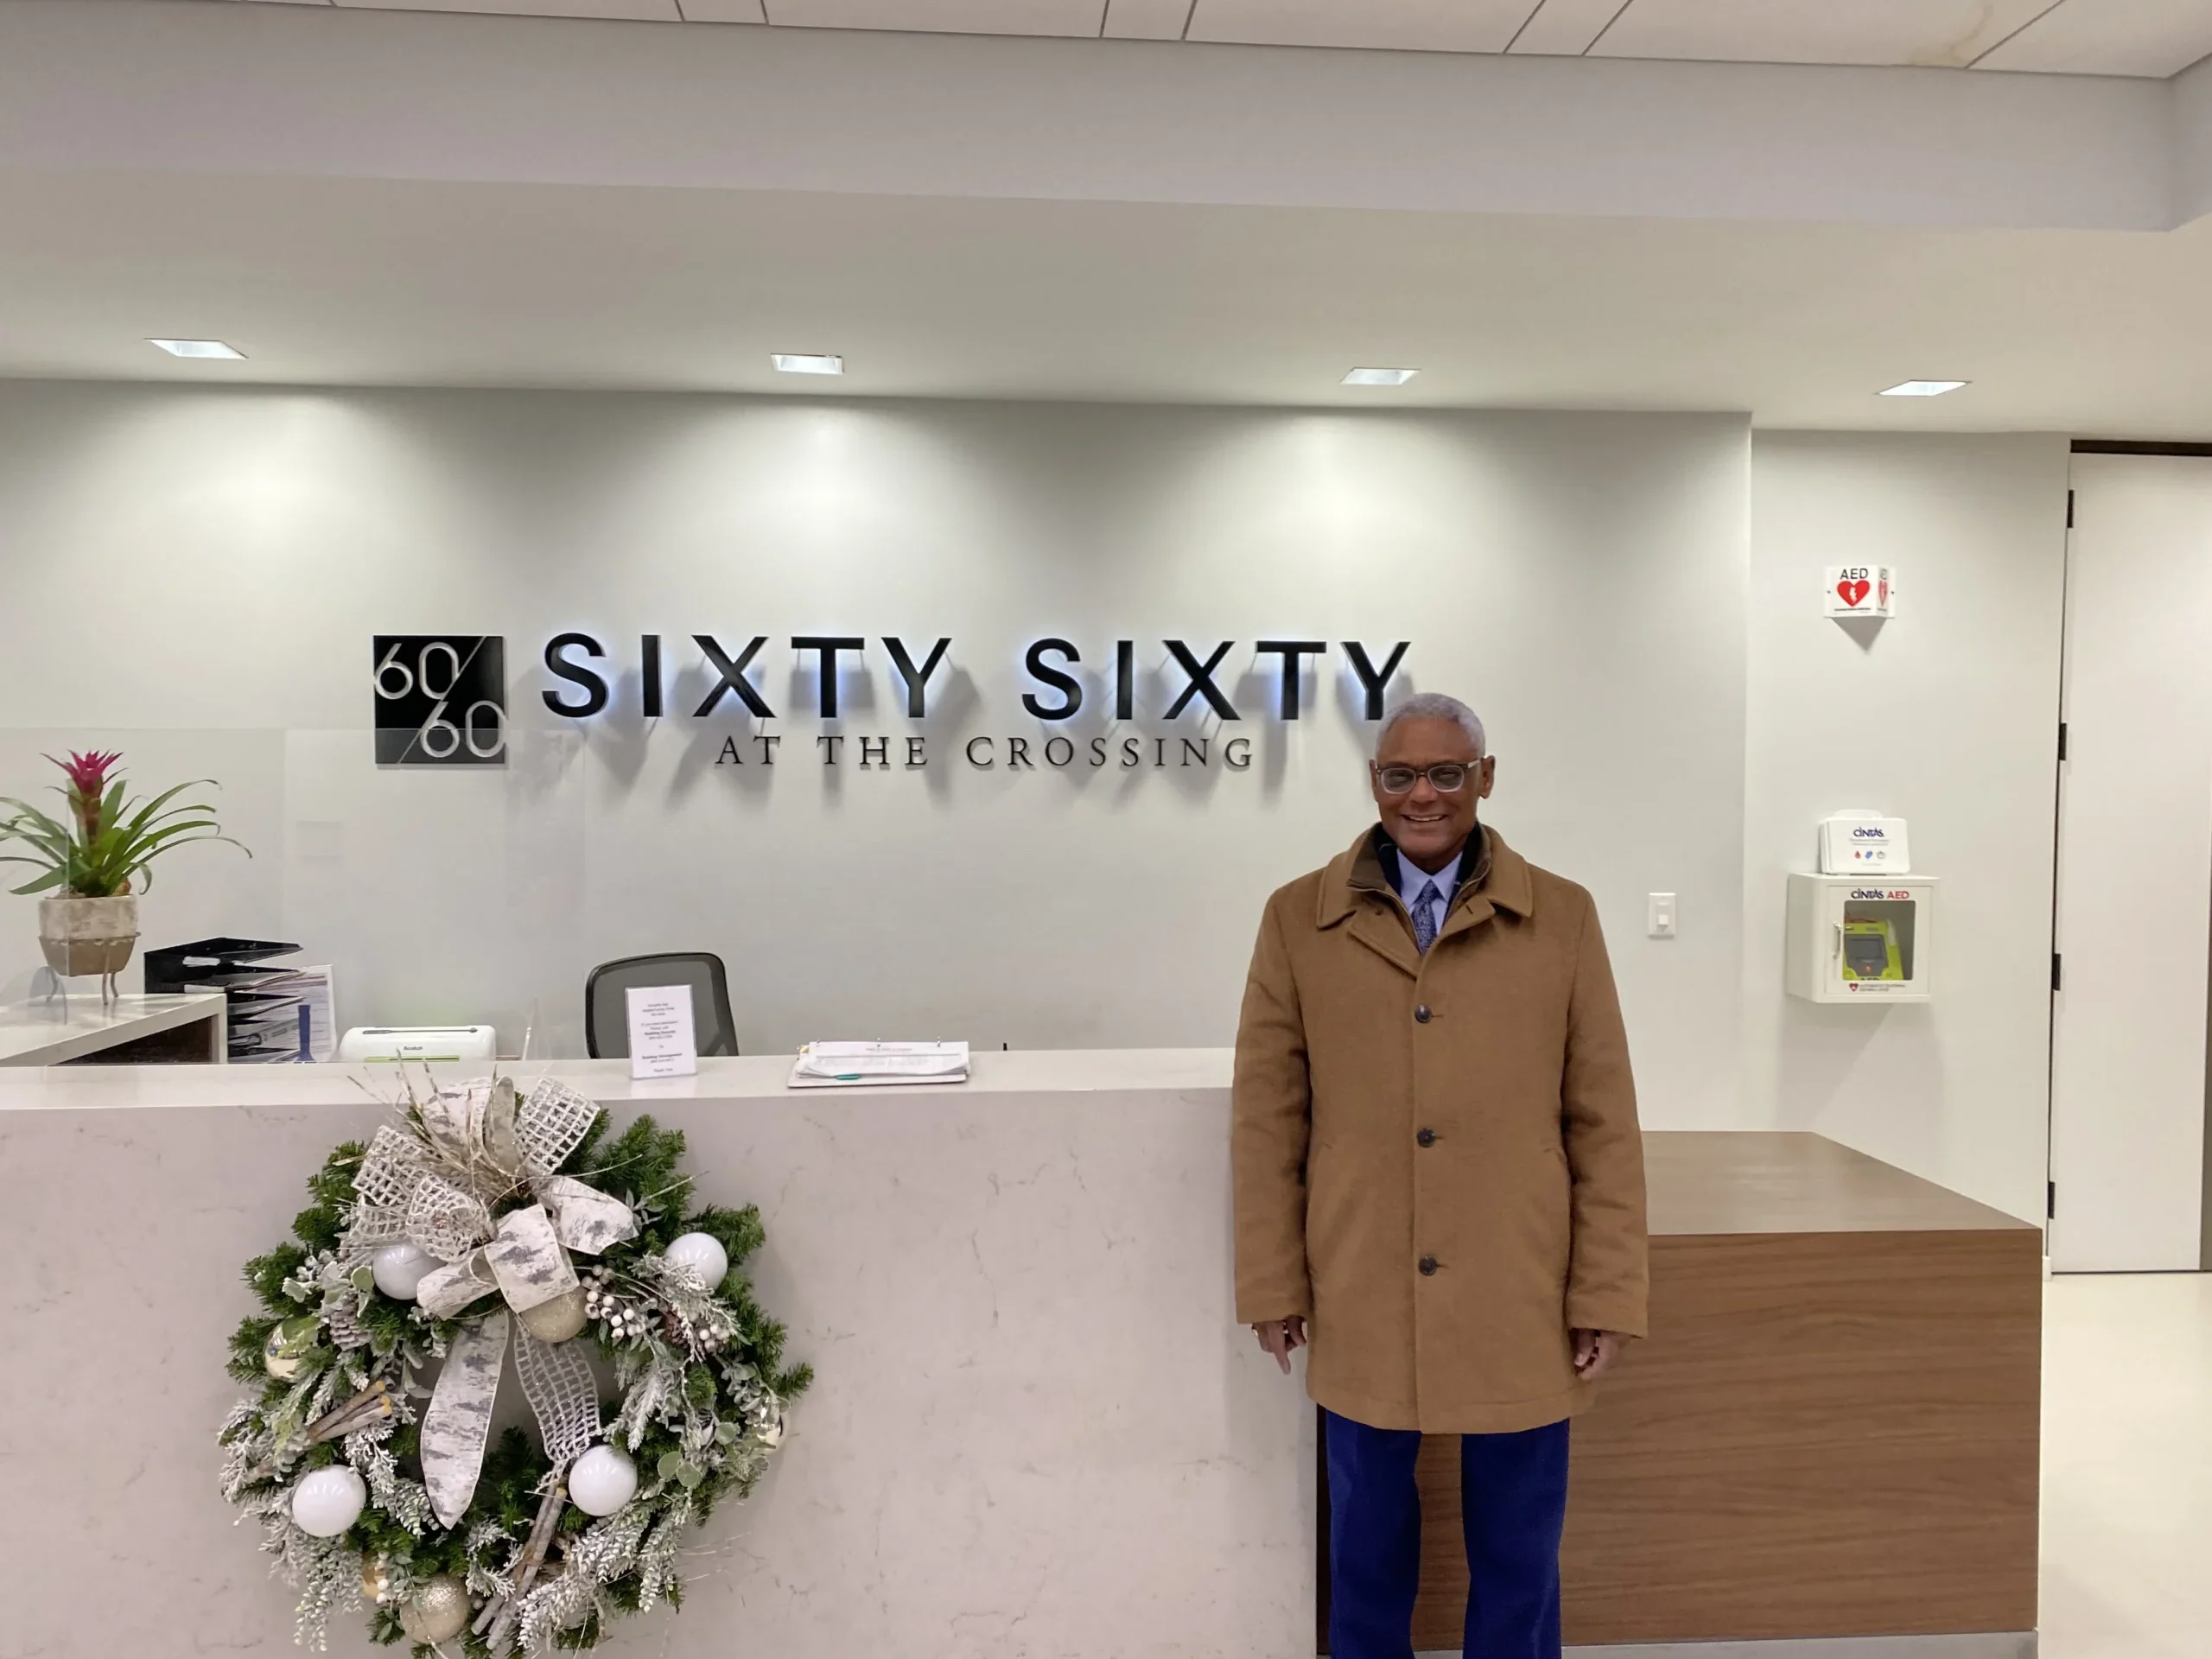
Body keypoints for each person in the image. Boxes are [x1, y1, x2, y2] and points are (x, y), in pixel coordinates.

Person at [1231, 692, 1648, 1659]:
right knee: (1365, 1557)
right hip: (1360, 1283)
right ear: (1374, 783)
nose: (1422, 795)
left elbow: (1604, 1122)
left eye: (1446, 773)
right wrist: (1271, 1282)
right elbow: (1265, 1123)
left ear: (1485, 779)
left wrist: (1606, 1291)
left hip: (1520, 1288)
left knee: (1517, 1560)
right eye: (1400, 774)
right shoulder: (1298, 920)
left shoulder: (1563, 919)